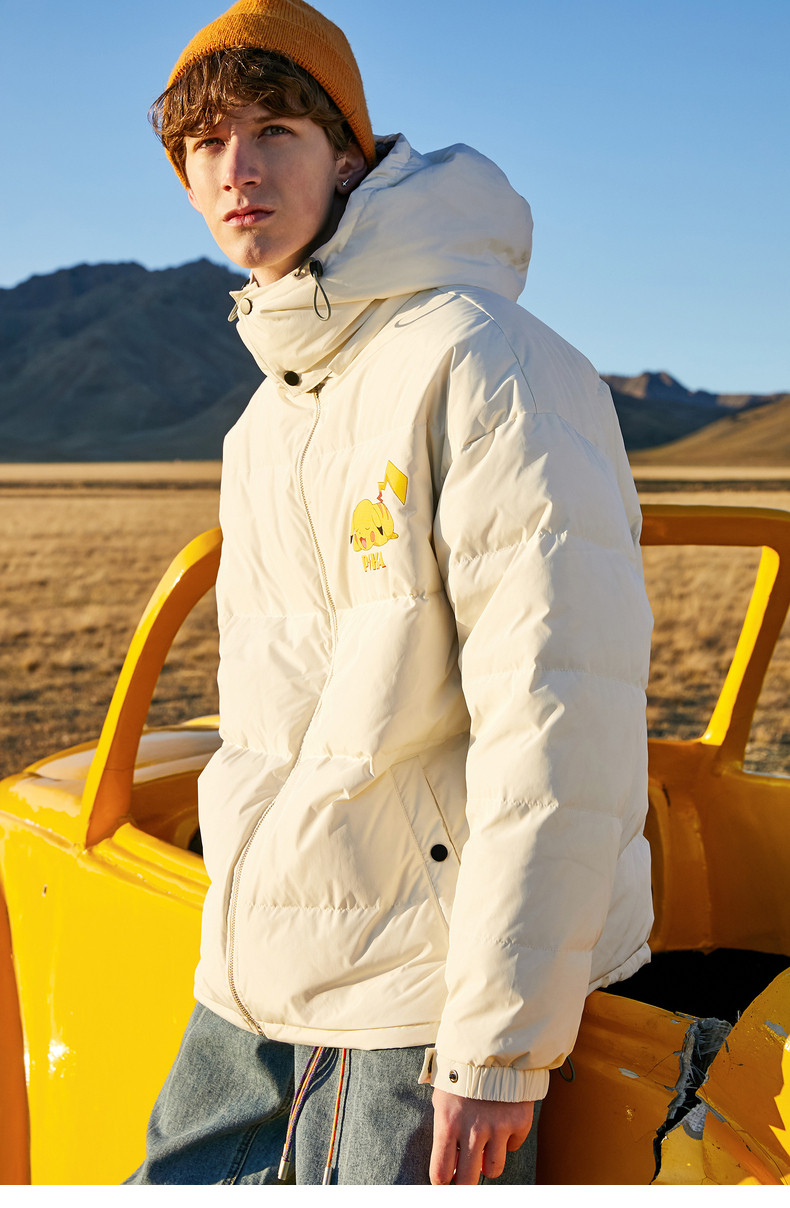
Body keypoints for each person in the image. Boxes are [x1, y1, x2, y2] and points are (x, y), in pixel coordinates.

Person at [127, 0, 653, 1186]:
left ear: (348, 156)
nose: (238, 168)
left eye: (275, 130)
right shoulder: (265, 420)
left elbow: (556, 707)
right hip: (265, 967)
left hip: (425, 989)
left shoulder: (483, 358)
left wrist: (497, 1044)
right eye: (206, 144)